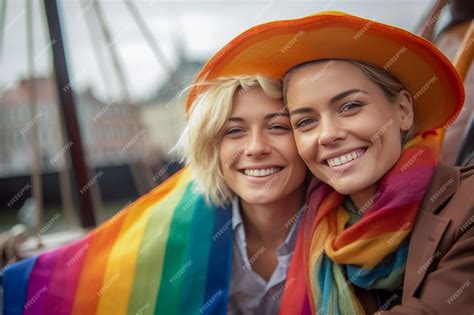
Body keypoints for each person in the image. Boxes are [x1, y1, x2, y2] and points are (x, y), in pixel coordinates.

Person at [185, 11, 473, 314]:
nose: (328, 135)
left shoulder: (466, 204)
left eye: (350, 106)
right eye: (306, 121)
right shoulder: (330, 225)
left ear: (403, 110)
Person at [177, 75, 308, 314]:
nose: (256, 148)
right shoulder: (175, 231)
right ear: (212, 148)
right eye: (235, 131)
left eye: (278, 126)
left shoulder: (351, 227)